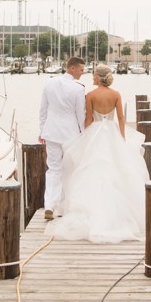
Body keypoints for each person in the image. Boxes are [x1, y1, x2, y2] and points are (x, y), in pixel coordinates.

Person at [47, 64, 150, 243]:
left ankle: (90, 209)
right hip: (112, 132)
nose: (91, 77)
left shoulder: (90, 95)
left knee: (91, 169)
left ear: (98, 77)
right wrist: (122, 137)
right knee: (119, 169)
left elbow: (87, 120)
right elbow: (121, 118)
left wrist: (85, 138)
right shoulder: (116, 94)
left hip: (95, 132)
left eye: (93, 75)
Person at [38, 56, 87, 220]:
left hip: (51, 132)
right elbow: (81, 115)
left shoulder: (49, 83)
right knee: (69, 170)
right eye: (81, 69)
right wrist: (84, 134)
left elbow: (43, 110)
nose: (82, 72)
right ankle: (63, 208)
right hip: (70, 134)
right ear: (72, 68)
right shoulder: (78, 89)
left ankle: (49, 205)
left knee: (53, 169)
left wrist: (42, 130)